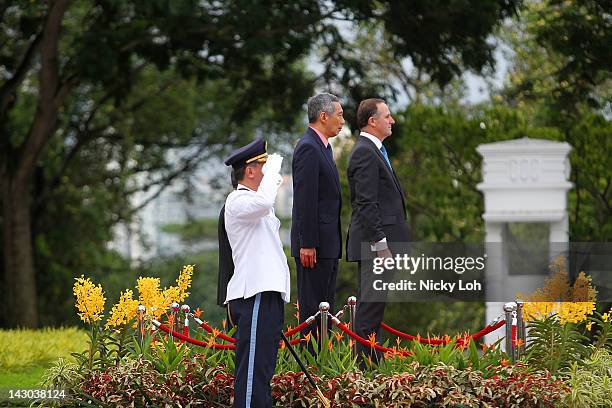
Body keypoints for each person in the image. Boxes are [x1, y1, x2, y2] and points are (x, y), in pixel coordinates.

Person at [219, 138, 290, 408]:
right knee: (251, 376)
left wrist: (269, 169)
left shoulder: (252, 203)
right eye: (262, 165)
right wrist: (274, 169)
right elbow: (262, 203)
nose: (268, 170)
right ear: (250, 171)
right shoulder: (238, 200)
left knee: (261, 372)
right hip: (254, 295)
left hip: (267, 293)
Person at [346, 98, 411, 364]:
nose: (392, 120)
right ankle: (363, 371)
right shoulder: (364, 151)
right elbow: (366, 203)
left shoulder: (376, 150)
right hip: (375, 248)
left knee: (373, 310)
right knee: (369, 311)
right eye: (387, 116)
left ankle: (370, 366)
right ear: (372, 121)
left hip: (380, 246)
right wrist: (381, 245)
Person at [291, 93, 344, 347]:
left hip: (328, 244)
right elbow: (305, 199)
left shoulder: (324, 146)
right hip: (314, 248)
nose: (342, 121)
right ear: (324, 116)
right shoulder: (308, 147)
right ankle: (310, 371)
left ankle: (322, 367)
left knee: (326, 312)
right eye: (340, 115)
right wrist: (307, 242)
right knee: (313, 313)